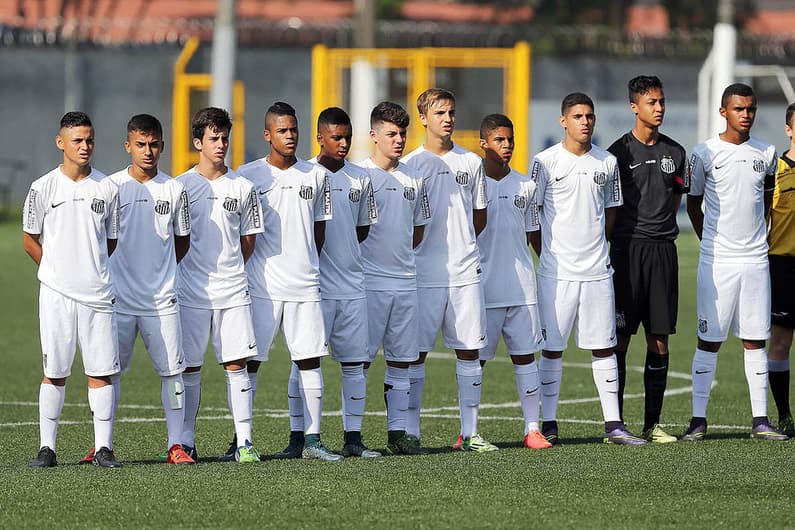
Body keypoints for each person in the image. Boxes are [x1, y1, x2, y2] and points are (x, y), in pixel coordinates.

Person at [529, 92, 646, 446]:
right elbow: (532, 217)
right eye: (578, 116)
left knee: (604, 348)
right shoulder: (544, 161)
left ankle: (613, 425)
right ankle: (548, 423)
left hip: (597, 272)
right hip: (556, 273)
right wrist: (548, 256)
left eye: (590, 116)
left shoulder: (606, 162)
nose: (586, 121)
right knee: (552, 349)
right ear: (563, 120)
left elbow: (610, 214)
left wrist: (594, 249)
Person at [237, 102, 341, 461]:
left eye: (294, 129)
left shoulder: (317, 176)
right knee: (250, 362)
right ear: (268, 135)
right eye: (282, 130)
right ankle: (242, 440)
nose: (290, 136)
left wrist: (306, 264)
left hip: (305, 285)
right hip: (261, 286)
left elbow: (320, 231)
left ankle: (311, 441)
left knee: (310, 360)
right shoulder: (248, 176)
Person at [684, 83, 787, 441]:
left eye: (751, 109)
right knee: (708, 340)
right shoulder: (704, 153)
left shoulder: (766, 152)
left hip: (756, 260)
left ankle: (760, 421)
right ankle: (698, 420)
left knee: (755, 340)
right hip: (718, 260)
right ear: (723, 112)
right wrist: (709, 241)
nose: (746, 115)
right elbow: (693, 203)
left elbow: (769, 195)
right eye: (739, 109)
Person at [92, 114, 194, 465]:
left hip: (161, 299)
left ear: (162, 145)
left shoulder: (174, 189)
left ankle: (176, 445)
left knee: (172, 372)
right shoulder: (110, 187)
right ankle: (103, 445)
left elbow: (182, 242)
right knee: (108, 371)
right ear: (128, 146)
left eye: (153, 144)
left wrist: (160, 274)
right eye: (140, 144)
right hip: (117, 298)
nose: (148, 151)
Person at [24, 111, 122, 468]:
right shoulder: (42, 187)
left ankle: (103, 448)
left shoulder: (107, 188)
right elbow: (29, 238)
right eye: (77, 140)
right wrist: (55, 271)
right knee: (56, 371)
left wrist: (88, 271)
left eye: (89, 140)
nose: (84, 146)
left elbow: (109, 242)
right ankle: (47, 448)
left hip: (97, 294)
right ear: (60, 142)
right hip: (56, 295)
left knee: (100, 371)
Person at [402, 88, 496, 452]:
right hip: (424, 273)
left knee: (470, 350)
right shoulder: (411, 165)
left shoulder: (471, 163)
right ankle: (411, 432)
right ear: (423, 118)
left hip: (464, 270)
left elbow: (480, 216)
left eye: (452, 112)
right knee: (415, 353)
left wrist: (462, 245)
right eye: (439, 112)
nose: (448, 118)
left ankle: (470, 432)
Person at [176, 107, 264, 462]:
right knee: (190, 367)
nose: (221, 144)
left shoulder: (243, 186)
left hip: (232, 288)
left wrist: (229, 270)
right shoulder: (180, 185)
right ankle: (186, 442)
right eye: (213, 138)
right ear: (198, 142)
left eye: (225, 138)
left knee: (236, 363)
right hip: (191, 290)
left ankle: (244, 442)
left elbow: (248, 240)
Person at [606, 76, 688, 443]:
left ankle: (652, 424)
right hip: (627, 252)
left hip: (662, 253)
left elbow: (675, 202)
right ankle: (617, 424)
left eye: (662, 101)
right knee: (620, 338)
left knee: (659, 340)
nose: (659, 108)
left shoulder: (676, 152)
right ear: (634, 107)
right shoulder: (616, 154)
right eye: (651, 102)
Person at [359, 101, 431, 455]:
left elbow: (417, 230)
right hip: (370, 283)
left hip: (406, 282)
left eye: (402, 133)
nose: (399, 139)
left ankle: (397, 435)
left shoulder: (414, 179)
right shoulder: (360, 177)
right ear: (374, 136)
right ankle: (352, 436)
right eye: (391, 133)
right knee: (360, 362)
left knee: (402, 360)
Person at [476, 114, 551, 450]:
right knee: (474, 360)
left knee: (525, 357)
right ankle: (470, 429)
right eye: (499, 140)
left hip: (522, 288)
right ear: (483, 144)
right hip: (483, 289)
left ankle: (532, 429)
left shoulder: (526, 186)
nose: (506, 146)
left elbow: (534, 235)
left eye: (510, 140)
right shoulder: (472, 185)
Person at [309, 107, 380, 457]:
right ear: (319, 137)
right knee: (308, 362)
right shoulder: (306, 175)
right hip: (315, 286)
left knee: (355, 363)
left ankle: (353, 439)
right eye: (336, 137)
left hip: (352, 284)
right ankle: (304, 438)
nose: (343, 143)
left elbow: (362, 228)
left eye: (347, 137)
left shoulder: (360, 178)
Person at [767, 102, 795, 437]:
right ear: (788, 129)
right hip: (783, 265)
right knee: (780, 341)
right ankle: (785, 415)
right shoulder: (775, 170)